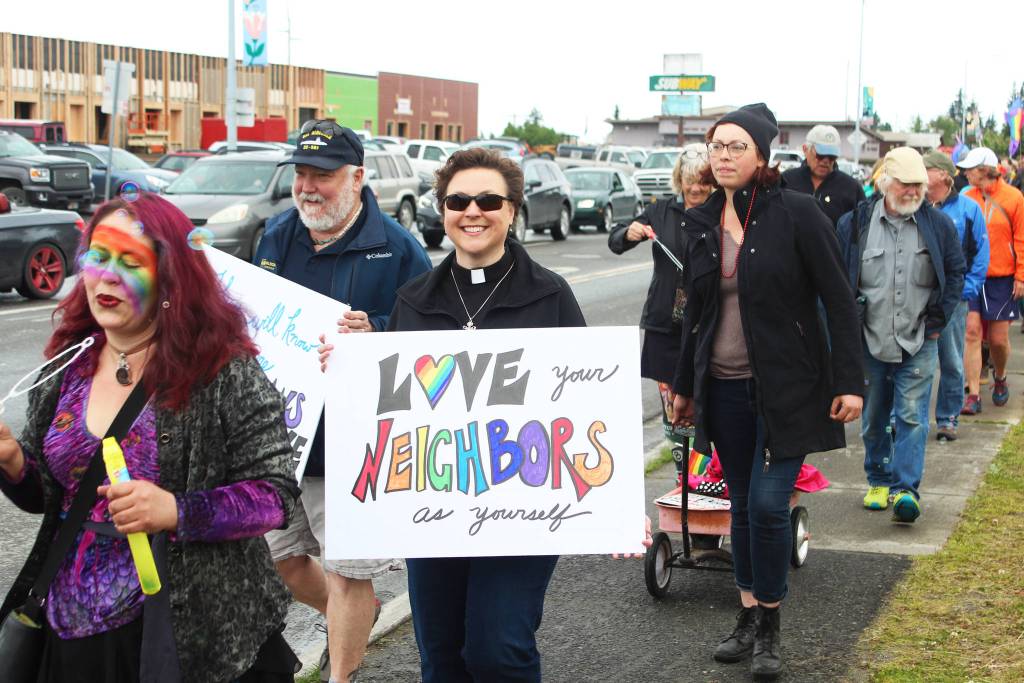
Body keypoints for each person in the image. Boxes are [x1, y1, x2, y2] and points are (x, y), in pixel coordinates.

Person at [328, 146, 644, 682]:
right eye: (458, 200)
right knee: (441, 656)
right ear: (442, 210)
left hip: (522, 512)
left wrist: (618, 504)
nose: (472, 211)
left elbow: (593, 402)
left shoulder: (550, 295)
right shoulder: (414, 299)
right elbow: (388, 405)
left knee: (500, 649)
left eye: (488, 200)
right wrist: (352, 357)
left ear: (512, 209)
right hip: (433, 510)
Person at [0, 193, 301, 682]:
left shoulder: (223, 370)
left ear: (169, 278)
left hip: (189, 633)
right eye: (98, 257)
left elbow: (274, 495)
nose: (106, 276)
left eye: (129, 261)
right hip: (72, 632)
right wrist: (15, 463)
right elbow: (54, 498)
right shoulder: (67, 367)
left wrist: (176, 511)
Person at [671, 104, 864, 680]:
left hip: (788, 389)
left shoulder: (797, 214)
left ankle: (772, 624)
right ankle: (748, 614)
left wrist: (850, 381)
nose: (724, 156)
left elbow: (839, 297)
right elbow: (693, 315)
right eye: (717, 146)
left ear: (763, 156)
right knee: (740, 507)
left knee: (766, 505)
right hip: (723, 390)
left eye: (736, 146)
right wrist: (684, 387)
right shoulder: (702, 220)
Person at [254, 120, 432, 683]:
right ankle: (354, 615)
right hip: (284, 439)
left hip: (354, 442)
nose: (307, 187)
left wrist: (377, 331)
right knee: (277, 560)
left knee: (348, 572)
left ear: (357, 177)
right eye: (300, 174)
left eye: (322, 176)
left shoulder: (399, 249)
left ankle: (343, 674)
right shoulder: (277, 236)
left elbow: (432, 340)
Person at [837, 147, 965, 523]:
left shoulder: (938, 225)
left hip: (919, 339)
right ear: (885, 182)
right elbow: (838, 277)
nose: (913, 192)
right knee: (874, 415)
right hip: (870, 339)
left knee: (911, 416)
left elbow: (955, 273)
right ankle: (878, 479)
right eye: (906, 184)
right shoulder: (855, 224)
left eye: (919, 185)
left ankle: (906, 489)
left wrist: (937, 322)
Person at [608, 142, 712, 446]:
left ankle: (705, 472)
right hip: (665, 327)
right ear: (679, 180)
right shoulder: (661, 211)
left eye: (704, 181)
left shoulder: (721, 213)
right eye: (690, 180)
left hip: (705, 325)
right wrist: (628, 233)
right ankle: (682, 473)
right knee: (674, 414)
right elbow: (616, 241)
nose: (696, 188)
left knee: (705, 407)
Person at [923, 150, 988, 440]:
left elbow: (980, 254)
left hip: (953, 299)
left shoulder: (968, 209)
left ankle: (948, 417)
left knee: (950, 359)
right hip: (919, 297)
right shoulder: (914, 205)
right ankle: (910, 418)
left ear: (942, 175)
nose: (920, 174)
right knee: (915, 361)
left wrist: (965, 291)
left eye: (926, 169)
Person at [957, 147, 1024, 413]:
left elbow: (1021, 238)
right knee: (972, 330)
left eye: (970, 168)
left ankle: (1000, 375)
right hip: (972, 275)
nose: (965, 173)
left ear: (985, 169)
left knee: (997, 339)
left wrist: (1020, 275)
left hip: (1001, 276)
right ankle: (973, 393)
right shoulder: (966, 196)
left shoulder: (1013, 197)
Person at [781, 124, 866, 227]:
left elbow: (862, 228)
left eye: (831, 156)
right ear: (805, 149)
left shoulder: (852, 188)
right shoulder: (786, 181)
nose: (825, 161)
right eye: (820, 155)